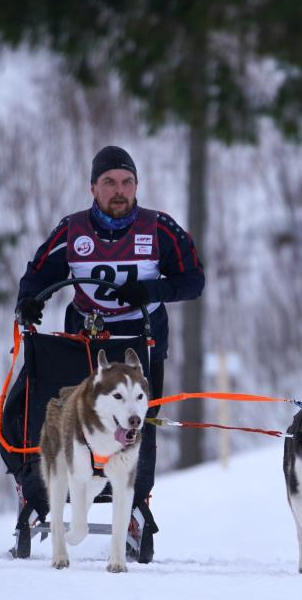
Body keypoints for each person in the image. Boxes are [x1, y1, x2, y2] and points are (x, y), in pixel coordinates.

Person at [14, 145, 205, 560]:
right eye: (109, 183)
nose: (119, 191)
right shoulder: (73, 230)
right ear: (93, 188)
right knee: (69, 416)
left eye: (126, 182)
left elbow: (193, 280)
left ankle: (134, 501)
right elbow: (38, 274)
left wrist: (152, 290)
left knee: (138, 422)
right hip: (85, 341)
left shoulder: (160, 229)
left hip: (141, 341)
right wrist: (28, 301)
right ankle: (42, 492)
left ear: (136, 186)